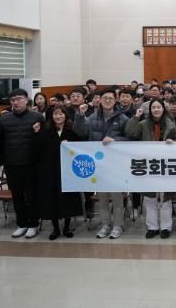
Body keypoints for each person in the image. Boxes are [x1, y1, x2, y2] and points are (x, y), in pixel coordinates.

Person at [0, 89, 45, 239]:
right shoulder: (3, 119)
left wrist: (38, 133)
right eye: (12, 100)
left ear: (26, 99)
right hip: (11, 164)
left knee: (32, 196)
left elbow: (44, 140)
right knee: (17, 196)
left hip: (31, 164)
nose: (15, 102)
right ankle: (22, 224)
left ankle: (33, 224)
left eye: (18, 99)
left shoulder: (37, 117)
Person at [73, 88, 130, 239]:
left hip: (116, 164)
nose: (107, 101)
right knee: (102, 198)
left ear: (115, 100)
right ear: (99, 100)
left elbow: (131, 139)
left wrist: (115, 140)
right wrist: (80, 115)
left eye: (111, 98)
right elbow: (80, 132)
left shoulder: (123, 118)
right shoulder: (92, 118)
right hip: (98, 164)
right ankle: (105, 224)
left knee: (117, 198)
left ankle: (118, 225)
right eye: (105, 98)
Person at [125, 98, 176, 239]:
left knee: (165, 198)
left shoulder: (170, 124)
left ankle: (166, 227)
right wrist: (136, 117)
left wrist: (173, 142)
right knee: (150, 198)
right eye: (153, 107)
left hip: (166, 164)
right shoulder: (143, 124)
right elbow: (131, 133)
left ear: (163, 109)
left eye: (158, 107)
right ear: (150, 110)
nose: (156, 109)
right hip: (148, 164)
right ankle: (152, 227)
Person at [36, 106, 84, 240]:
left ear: (66, 116)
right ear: (51, 117)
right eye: (55, 114)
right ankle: (55, 228)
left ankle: (67, 227)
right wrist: (37, 133)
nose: (58, 116)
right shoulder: (45, 131)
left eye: (61, 114)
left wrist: (70, 144)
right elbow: (38, 148)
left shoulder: (72, 130)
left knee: (68, 198)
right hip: (50, 170)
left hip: (68, 170)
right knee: (52, 199)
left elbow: (80, 147)